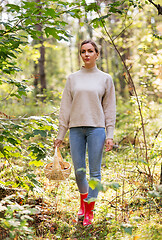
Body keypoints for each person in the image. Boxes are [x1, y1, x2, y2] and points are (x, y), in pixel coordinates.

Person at [54, 39, 116, 226]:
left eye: (90, 51)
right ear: (80, 54)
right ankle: (83, 203)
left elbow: (109, 108)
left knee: (94, 172)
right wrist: (60, 134)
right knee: (79, 171)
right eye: (83, 51)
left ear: (97, 54)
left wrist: (110, 134)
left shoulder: (105, 78)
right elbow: (65, 107)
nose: (86, 54)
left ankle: (89, 212)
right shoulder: (73, 78)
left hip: (97, 129)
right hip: (75, 129)